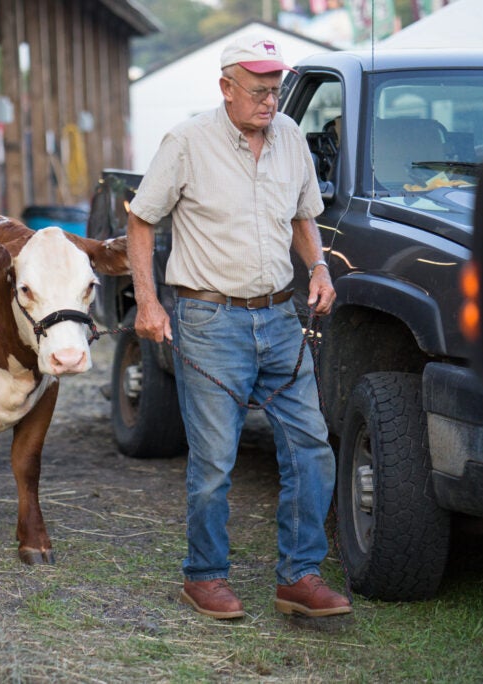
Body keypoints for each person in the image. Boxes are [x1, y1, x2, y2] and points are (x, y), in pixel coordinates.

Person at [127, 35, 351, 620]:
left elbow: (303, 216)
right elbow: (141, 220)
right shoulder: (186, 141)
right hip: (208, 319)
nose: (270, 102)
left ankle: (299, 576)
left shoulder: (292, 143)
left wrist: (319, 268)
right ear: (225, 88)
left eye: (275, 90)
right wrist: (149, 304)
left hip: (280, 316)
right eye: (258, 91)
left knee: (311, 448)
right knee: (214, 462)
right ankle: (204, 576)